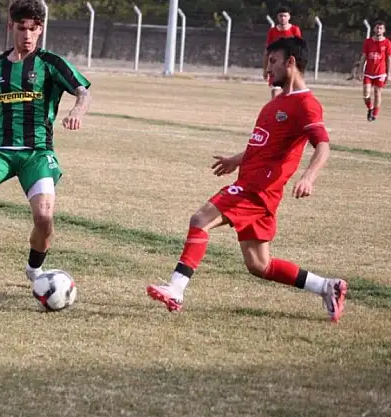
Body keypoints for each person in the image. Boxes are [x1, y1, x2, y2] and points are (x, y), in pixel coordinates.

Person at [146, 37, 348, 323]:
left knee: (200, 219)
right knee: (259, 264)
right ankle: (328, 286)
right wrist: (236, 160)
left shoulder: (306, 104)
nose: (268, 68)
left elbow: (323, 146)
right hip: (256, 187)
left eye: (273, 61)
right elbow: (263, 146)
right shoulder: (276, 103)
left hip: (258, 189)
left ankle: (176, 288)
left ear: (291, 62)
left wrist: (308, 177)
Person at [0, 0, 92, 286]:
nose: (27, 35)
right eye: (22, 28)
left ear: (41, 29)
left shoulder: (50, 63)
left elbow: (83, 92)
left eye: (33, 29)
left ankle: (35, 270)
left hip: (37, 152)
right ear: (10, 26)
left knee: (44, 217)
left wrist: (76, 111)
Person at [263, 6, 302, 100]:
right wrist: (265, 69)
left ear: (289, 17)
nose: (283, 18)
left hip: (290, 66)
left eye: (285, 16)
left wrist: (299, 67)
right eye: (281, 16)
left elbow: (299, 49)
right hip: (276, 65)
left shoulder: (294, 30)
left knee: (290, 92)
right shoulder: (272, 31)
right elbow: (267, 51)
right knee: (275, 91)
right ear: (277, 17)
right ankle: (275, 108)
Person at [359, 20, 391, 121]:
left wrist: (389, 74)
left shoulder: (387, 43)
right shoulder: (368, 42)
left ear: (384, 30)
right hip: (368, 73)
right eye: (377, 28)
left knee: (377, 93)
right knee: (366, 94)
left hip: (381, 73)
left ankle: (374, 114)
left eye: (381, 28)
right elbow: (363, 57)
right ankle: (370, 108)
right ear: (374, 29)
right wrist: (360, 71)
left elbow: (389, 59)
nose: (378, 30)